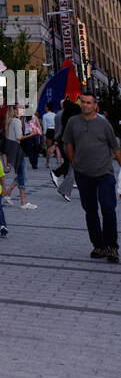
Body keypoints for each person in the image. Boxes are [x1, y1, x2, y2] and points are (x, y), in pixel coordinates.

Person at [61, 92, 121, 263]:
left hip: (104, 173)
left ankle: (111, 247)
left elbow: (115, 148)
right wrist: (75, 163)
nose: (86, 105)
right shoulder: (73, 122)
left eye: (89, 103)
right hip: (83, 174)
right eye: (83, 102)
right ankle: (98, 245)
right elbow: (68, 143)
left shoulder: (104, 124)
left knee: (108, 208)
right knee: (90, 210)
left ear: (96, 106)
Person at [3, 105, 36, 209]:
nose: (23, 110)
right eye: (20, 108)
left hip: (13, 149)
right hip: (17, 150)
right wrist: (32, 134)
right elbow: (19, 137)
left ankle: (8, 193)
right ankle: (23, 202)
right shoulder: (16, 121)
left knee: (22, 175)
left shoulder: (11, 120)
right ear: (15, 110)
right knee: (22, 175)